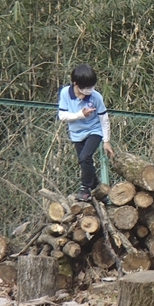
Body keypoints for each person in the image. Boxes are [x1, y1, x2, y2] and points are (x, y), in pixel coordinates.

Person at [58, 64, 114, 202]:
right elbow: (62, 116)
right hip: (76, 133)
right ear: (76, 84)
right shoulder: (65, 93)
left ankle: (85, 188)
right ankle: (99, 191)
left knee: (85, 156)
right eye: (86, 87)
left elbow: (104, 118)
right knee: (84, 162)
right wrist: (80, 115)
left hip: (94, 131)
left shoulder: (96, 97)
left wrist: (106, 141)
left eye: (92, 86)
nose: (90, 90)